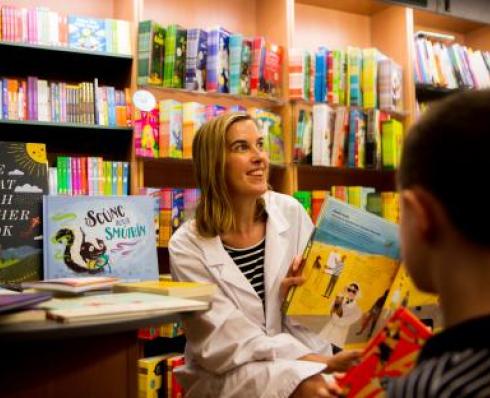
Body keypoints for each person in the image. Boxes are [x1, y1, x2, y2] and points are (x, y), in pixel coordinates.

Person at [169, 112, 359, 398]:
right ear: (214, 163)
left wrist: (292, 303)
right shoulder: (187, 246)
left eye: (260, 144)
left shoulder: (291, 212)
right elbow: (226, 343)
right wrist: (324, 363)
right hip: (228, 375)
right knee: (315, 388)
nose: (259, 157)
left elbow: (319, 317)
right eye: (241, 147)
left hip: (303, 358)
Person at [318, 283, 362, 353]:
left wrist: (337, 319)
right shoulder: (340, 299)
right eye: (349, 290)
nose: (350, 292)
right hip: (328, 330)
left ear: (357, 293)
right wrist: (337, 302)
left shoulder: (357, 310)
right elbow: (331, 309)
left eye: (353, 291)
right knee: (319, 347)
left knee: (331, 352)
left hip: (339, 335)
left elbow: (349, 320)